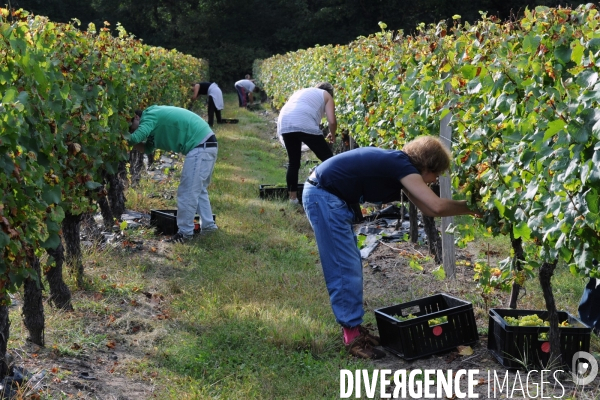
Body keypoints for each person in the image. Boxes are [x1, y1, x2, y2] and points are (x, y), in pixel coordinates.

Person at [302, 136, 481, 359]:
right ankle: (352, 337)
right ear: (427, 165)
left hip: (327, 196)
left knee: (349, 265)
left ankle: (354, 329)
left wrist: (471, 210)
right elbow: (435, 204)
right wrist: (474, 207)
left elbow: (429, 210)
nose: (435, 180)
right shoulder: (401, 166)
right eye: (436, 174)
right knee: (344, 267)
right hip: (324, 196)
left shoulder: (399, 168)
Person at [128, 105, 219, 243]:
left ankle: (185, 233)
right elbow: (147, 148)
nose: (131, 131)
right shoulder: (152, 121)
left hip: (200, 146)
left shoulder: (149, 116)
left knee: (187, 192)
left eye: (130, 127)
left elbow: (137, 136)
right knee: (198, 191)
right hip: (206, 144)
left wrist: (119, 140)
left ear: (136, 117)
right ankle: (209, 227)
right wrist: (128, 144)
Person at [277, 82, 336, 204]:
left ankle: (293, 199)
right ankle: (337, 192)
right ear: (330, 92)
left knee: (293, 162)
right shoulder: (327, 95)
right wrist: (333, 134)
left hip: (285, 120)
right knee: (329, 160)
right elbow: (332, 121)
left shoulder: (303, 91)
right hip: (303, 121)